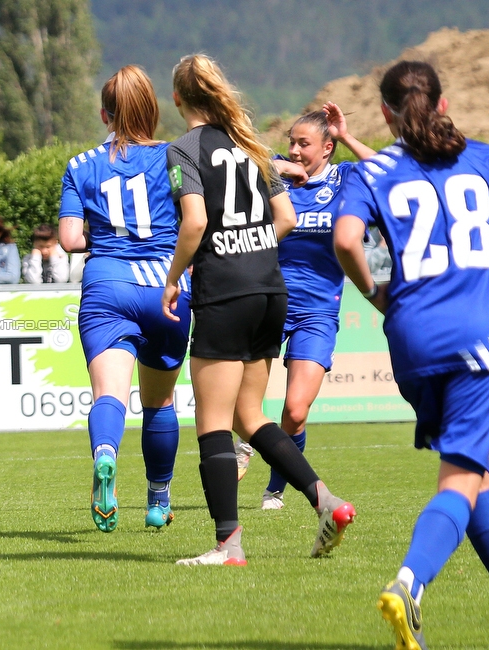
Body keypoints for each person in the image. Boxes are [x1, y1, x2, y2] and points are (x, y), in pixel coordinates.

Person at [161, 54, 355, 565]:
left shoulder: (183, 149)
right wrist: (250, 251)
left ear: (178, 98)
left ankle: (228, 545)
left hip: (224, 293)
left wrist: (174, 274)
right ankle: (325, 501)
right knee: (250, 416)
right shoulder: (252, 146)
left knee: (213, 423)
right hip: (271, 289)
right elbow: (286, 215)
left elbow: (195, 223)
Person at [333, 60, 489, 650]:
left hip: (410, 337)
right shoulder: (483, 158)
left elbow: (348, 240)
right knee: (459, 478)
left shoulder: (369, 171)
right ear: (444, 104)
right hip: (479, 339)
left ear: (384, 114)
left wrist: (378, 294)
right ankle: (409, 584)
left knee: (475, 473)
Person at [58, 64, 191, 532]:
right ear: (153, 110)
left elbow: (70, 238)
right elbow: (194, 217)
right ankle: (158, 500)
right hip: (164, 288)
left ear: (104, 114)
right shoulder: (174, 158)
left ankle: (105, 454)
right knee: (159, 403)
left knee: (108, 395)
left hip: (106, 287)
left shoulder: (80, 165)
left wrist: (108, 235)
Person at [234, 105, 376, 509]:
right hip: (267, 300)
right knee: (242, 399)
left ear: (327, 147)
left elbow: (389, 171)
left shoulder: (346, 178)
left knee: (295, 410)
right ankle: (245, 442)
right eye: (291, 143)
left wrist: (348, 136)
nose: (295, 150)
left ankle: (276, 488)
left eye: (304, 144)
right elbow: (238, 169)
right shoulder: (276, 180)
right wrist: (276, 167)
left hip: (317, 312)